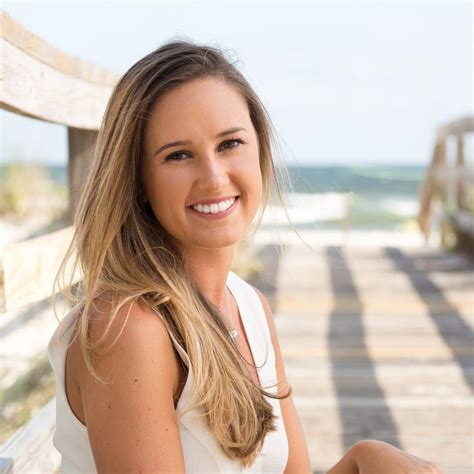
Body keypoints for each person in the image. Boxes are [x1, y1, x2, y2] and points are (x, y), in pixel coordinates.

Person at [48, 39, 443, 473]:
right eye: (178, 155)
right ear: (139, 180)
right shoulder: (129, 328)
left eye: (230, 144)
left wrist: (362, 459)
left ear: (259, 148)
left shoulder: (250, 308)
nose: (214, 177)